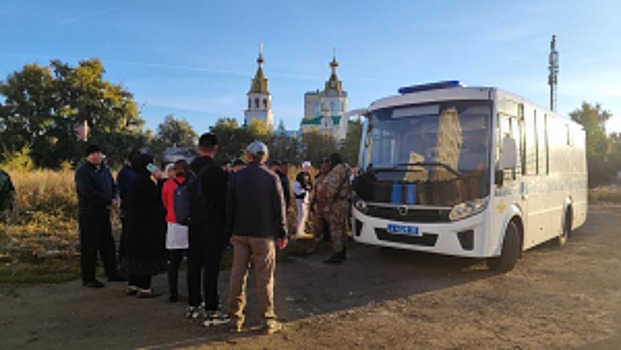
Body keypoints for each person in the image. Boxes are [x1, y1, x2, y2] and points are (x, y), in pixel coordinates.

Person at [226, 141, 288, 334]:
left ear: (248, 156)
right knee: (265, 277)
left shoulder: (236, 177)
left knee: (238, 274)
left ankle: (235, 318)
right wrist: (282, 233)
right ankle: (267, 319)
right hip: (264, 234)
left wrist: (230, 232)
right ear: (265, 158)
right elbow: (279, 207)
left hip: (240, 232)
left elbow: (229, 207)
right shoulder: (272, 178)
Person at [186, 133, 230, 326]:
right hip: (212, 224)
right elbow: (224, 201)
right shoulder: (217, 171)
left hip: (192, 222)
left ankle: (194, 304)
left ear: (198, 147)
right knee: (211, 266)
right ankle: (212, 309)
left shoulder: (189, 168)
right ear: (216, 148)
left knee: (194, 264)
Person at [75, 144, 125, 288]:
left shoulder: (105, 170)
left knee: (107, 244)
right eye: (93, 154)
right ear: (88, 156)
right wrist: (107, 200)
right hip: (90, 214)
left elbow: (114, 186)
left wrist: (115, 198)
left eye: (99, 153)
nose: (97, 156)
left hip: (105, 213)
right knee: (90, 246)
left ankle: (112, 273)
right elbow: (87, 192)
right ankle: (88, 278)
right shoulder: (83, 171)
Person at [125, 154, 166, 298]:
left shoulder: (136, 180)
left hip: (133, 224)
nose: (154, 167)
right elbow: (157, 200)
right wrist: (160, 181)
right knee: (145, 255)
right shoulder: (146, 183)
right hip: (146, 226)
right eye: (151, 164)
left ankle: (133, 283)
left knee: (135, 254)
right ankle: (144, 287)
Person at [313, 153, 352, 264]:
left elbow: (332, 189)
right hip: (343, 202)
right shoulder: (344, 169)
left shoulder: (337, 171)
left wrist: (327, 204)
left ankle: (337, 253)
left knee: (336, 229)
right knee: (342, 228)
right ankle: (342, 251)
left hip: (337, 203)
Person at [161, 160, 190, 303]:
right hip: (189, 224)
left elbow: (165, 203)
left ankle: (173, 292)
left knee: (173, 262)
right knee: (192, 261)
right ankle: (193, 291)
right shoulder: (192, 184)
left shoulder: (167, 185)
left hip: (173, 223)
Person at [117, 150, 141, 273]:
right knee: (127, 238)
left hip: (134, 210)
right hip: (130, 210)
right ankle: (125, 264)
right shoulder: (126, 174)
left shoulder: (135, 172)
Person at [292, 161, 313, 238]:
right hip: (300, 196)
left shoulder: (308, 175)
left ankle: (302, 230)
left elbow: (310, 185)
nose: (309, 168)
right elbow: (303, 184)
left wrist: (308, 187)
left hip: (306, 195)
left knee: (305, 214)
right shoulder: (300, 175)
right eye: (307, 167)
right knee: (301, 214)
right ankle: (299, 232)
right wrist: (307, 187)